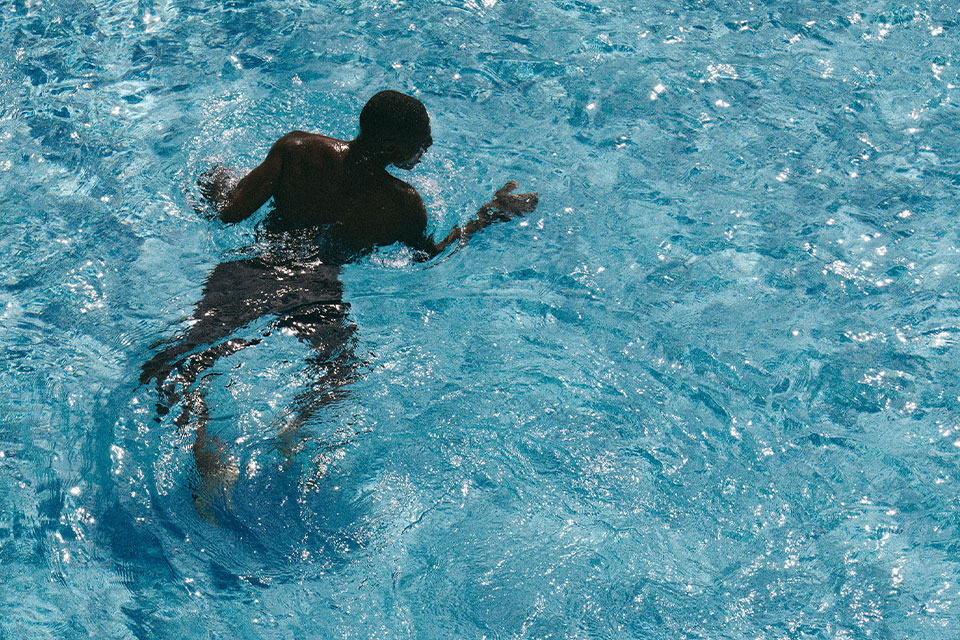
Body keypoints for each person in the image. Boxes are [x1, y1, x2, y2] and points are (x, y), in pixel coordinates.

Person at [140, 90, 537, 520]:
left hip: (255, 272)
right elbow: (429, 258)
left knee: (180, 361)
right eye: (421, 140)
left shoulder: (298, 150)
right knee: (341, 371)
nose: (429, 148)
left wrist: (214, 184)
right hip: (319, 288)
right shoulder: (404, 204)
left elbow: (231, 213)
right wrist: (487, 215)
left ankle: (207, 448)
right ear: (392, 147)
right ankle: (295, 431)